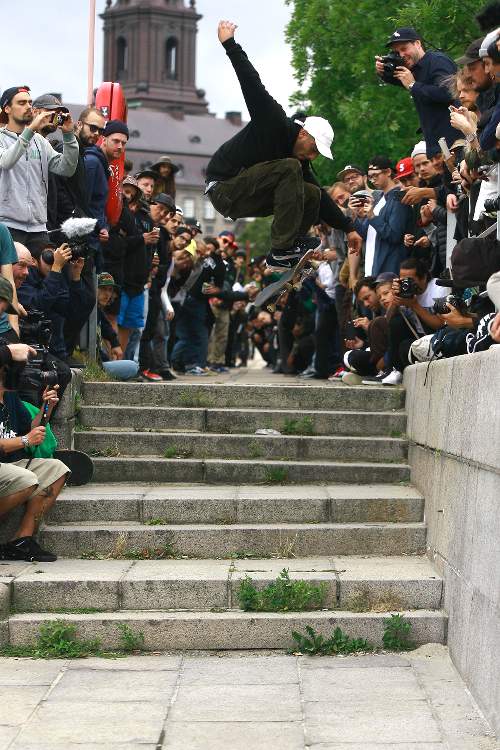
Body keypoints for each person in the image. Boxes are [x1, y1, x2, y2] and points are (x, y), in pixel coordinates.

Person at [206, 21, 361, 270]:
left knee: (310, 191)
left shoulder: (299, 160)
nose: (313, 157)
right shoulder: (273, 121)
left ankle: (294, 245)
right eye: (313, 149)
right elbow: (251, 82)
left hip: (249, 194)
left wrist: (349, 228)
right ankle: (281, 250)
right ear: (303, 133)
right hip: (225, 188)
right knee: (291, 168)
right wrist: (229, 44)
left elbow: (321, 196)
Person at [0, 312, 69, 562]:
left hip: (9, 465)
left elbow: (28, 428)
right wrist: (26, 441)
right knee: (27, 478)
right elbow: (23, 439)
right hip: (6, 466)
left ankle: (22, 539)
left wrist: (45, 408)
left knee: (57, 469)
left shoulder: (9, 398)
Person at [0, 85, 79, 255]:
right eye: (21, 103)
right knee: (13, 278)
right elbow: (6, 161)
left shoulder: (40, 141)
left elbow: (66, 168)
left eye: (30, 102)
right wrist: (30, 131)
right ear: (7, 108)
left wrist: (68, 136)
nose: (28, 106)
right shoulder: (1, 138)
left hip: (38, 228)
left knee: (45, 280)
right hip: (8, 225)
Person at [375, 27, 460, 156]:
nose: (401, 55)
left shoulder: (437, 61)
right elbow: (398, 80)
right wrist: (382, 71)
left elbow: (449, 93)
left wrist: (413, 85)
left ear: (418, 44)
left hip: (455, 143)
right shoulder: (413, 69)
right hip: (435, 147)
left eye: (404, 49)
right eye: (396, 52)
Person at [352, 156, 412, 277]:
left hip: (389, 269)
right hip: (373, 269)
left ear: (388, 172)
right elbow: (366, 234)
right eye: (370, 177)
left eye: (376, 175)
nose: (372, 180)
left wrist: (372, 217)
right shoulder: (379, 199)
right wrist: (357, 216)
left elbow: (394, 236)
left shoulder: (398, 198)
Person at [96, 273, 138, 380]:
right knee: (133, 367)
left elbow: (107, 328)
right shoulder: (89, 309)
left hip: (97, 362)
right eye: (103, 289)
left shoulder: (98, 311)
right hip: (87, 365)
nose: (107, 294)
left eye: (110, 290)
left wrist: (115, 343)